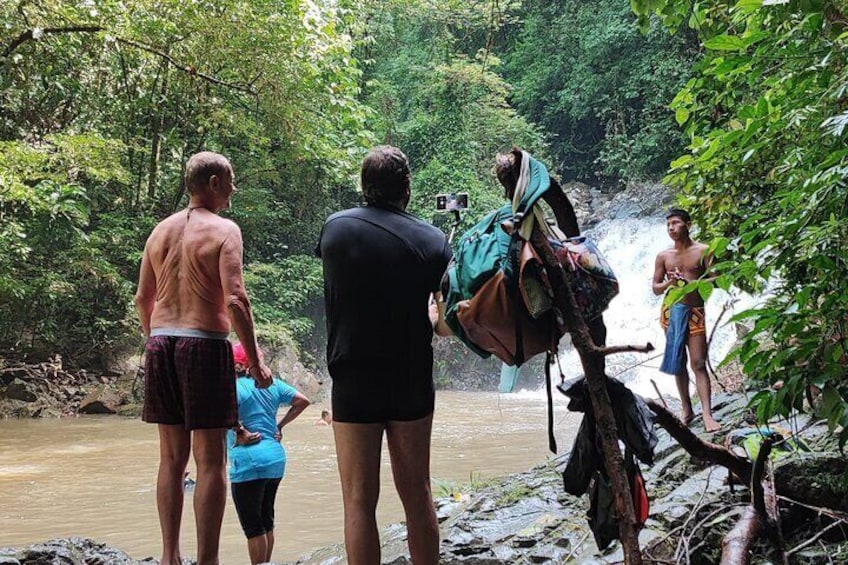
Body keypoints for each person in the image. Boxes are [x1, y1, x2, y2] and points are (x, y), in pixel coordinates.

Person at [316, 145, 452, 565]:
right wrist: (432, 316)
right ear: (406, 188)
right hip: (410, 376)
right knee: (417, 493)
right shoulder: (434, 241)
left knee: (358, 501)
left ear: (364, 185)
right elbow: (446, 328)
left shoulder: (334, 230)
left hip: (353, 377)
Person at [135, 151, 273, 565]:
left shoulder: (159, 231)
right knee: (211, 459)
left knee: (171, 459)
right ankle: (207, 560)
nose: (234, 190)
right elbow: (235, 299)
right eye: (231, 182)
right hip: (204, 343)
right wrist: (254, 359)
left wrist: (155, 341)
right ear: (213, 183)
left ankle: (168, 556)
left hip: (160, 342)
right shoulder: (225, 230)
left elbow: (143, 298)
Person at [228, 342, 310, 565]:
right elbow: (303, 401)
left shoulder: (234, 387)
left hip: (248, 460)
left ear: (236, 365)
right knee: (266, 520)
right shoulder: (272, 385)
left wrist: (239, 430)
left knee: (253, 527)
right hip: (275, 460)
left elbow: (222, 409)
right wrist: (280, 425)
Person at [652, 208, 720, 432]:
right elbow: (655, 288)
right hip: (671, 312)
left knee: (698, 362)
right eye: (668, 224)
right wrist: (670, 283)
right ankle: (687, 409)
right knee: (678, 361)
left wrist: (704, 278)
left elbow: (715, 281)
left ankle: (708, 415)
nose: (671, 228)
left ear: (688, 225)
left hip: (695, 311)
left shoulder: (704, 251)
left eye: (676, 223)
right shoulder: (663, 256)